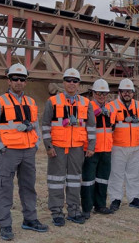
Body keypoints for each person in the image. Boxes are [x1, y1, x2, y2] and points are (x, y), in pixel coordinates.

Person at [0, 63, 48, 241]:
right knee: (5, 188)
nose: (19, 82)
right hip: (9, 152)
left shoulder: (30, 102)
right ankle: (5, 225)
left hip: (29, 151)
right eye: (15, 79)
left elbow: (35, 125)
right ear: (9, 80)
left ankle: (30, 219)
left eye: (22, 79)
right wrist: (1, 147)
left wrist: (35, 144)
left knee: (28, 187)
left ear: (26, 82)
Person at [42, 68, 96, 226]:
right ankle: (57, 212)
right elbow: (45, 125)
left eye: (75, 81)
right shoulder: (52, 101)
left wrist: (90, 146)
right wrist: (48, 146)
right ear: (63, 82)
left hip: (77, 148)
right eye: (68, 80)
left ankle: (74, 210)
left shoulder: (86, 103)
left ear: (79, 84)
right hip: (57, 148)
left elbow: (91, 127)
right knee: (56, 181)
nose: (71, 84)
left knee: (74, 180)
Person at [107, 78, 139, 211]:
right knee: (116, 174)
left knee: (135, 174)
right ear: (119, 92)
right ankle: (115, 199)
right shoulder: (111, 107)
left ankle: (134, 198)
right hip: (117, 146)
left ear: (133, 93)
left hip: (135, 147)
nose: (127, 94)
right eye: (124, 91)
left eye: (129, 91)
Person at [80, 79, 114, 219]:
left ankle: (100, 205)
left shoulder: (110, 109)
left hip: (106, 149)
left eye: (104, 94)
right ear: (93, 93)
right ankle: (86, 208)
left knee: (103, 179)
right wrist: (98, 111)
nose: (102, 96)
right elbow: (83, 125)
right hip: (91, 150)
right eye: (99, 93)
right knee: (88, 180)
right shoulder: (88, 107)